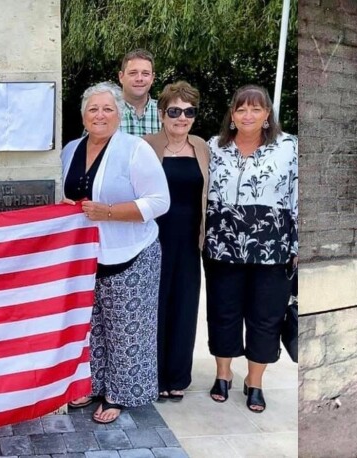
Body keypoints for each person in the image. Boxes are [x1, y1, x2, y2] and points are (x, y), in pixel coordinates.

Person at [62, 82, 170, 424]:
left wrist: (107, 211)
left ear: (119, 115)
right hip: (86, 256)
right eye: (93, 109)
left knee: (127, 328)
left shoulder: (135, 149)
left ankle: (119, 394)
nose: (100, 115)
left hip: (132, 253)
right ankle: (93, 384)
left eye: (107, 108)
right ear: (83, 116)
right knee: (91, 326)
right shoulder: (70, 149)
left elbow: (159, 201)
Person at [203, 84, 298, 414]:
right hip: (221, 245)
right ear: (232, 114)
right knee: (223, 311)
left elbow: (298, 196)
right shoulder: (214, 148)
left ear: (267, 114)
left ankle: (255, 382)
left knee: (265, 317)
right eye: (241, 109)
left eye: (256, 109)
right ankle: (223, 373)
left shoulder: (289, 147)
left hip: (273, 246)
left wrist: (299, 244)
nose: (248, 115)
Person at [142, 81, 208, 401]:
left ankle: (177, 376)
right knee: (155, 308)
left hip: (189, 242)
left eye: (189, 111)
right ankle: (153, 375)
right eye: (175, 111)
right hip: (153, 241)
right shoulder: (146, 146)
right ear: (161, 113)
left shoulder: (202, 147)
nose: (182, 118)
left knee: (184, 307)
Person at [117, 48, 160, 136]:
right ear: (121, 77)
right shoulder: (104, 112)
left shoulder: (166, 113)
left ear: (152, 78)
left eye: (145, 74)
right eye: (133, 73)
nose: (139, 79)